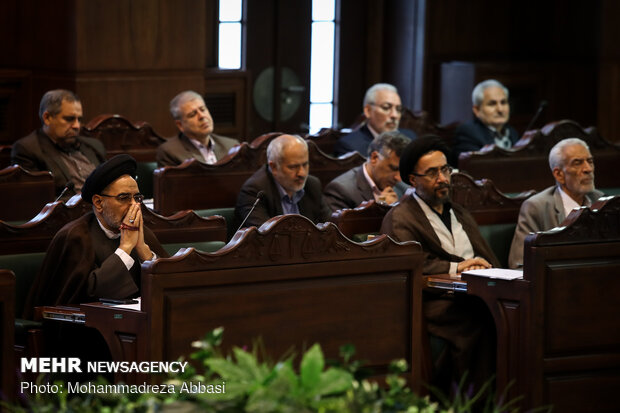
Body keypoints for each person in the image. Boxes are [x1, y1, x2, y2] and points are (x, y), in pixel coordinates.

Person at [380, 135, 498, 392]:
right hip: (434, 303)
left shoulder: (459, 212)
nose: (443, 178)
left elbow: (485, 256)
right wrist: (460, 268)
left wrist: (484, 268)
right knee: (483, 320)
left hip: (475, 294)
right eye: (432, 173)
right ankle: (473, 401)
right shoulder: (401, 217)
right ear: (413, 180)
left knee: (512, 314)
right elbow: (410, 264)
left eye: (445, 169)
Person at [24, 154, 168, 318]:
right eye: (124, 198)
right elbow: (90, 296)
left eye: (137, 198)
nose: (134, 206)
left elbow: (170, 288)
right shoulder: (76, 237)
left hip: (133, 326)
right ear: (99, 203)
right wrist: (125, 248)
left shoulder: (141, 233)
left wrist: (144, 252)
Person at [508, 138, 603, 268]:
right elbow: (520, 264)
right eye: (577, 163)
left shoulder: (602, 201)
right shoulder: (536, 207)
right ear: (559, 174)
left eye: (590, 161)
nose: (588, 169)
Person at [11, 89, 106, 198]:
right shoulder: (28, 149)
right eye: (69, 119)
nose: (77, 126)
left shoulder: (94, 146)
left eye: (79, 119)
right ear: (47, 118)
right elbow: (33, 200)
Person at [235, 134, 331, 229]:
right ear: (274, 167)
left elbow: (330, 229)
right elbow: (264, 238)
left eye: (305, 164)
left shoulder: (312, 185)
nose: (302, 173)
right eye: (293, 167)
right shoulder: (255, 191)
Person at [323, 131, 410, 213]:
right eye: (393, 168)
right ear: (374, 158)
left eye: (402, 170)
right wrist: (380, 206)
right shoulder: (341, 190)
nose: (398, 178)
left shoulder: (404, 187)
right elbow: (340, 227)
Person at [156, 90, 240, 167]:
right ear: (180, 125)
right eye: (193, 114)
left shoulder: (231, 146)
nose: (202, 116)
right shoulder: (170, 152)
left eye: (203, 110)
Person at [333, 83, 416, 157]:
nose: (394, 115)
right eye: (386, 107)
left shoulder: (410, 137)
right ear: (368, 111)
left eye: (398, 109)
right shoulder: (350, 145)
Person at [451, 79, 519, 165]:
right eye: (492, 104)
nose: (500, 109)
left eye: (503, 102)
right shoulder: (467, 133)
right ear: (477, 110)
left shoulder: (513, 132)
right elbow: (475, 167)